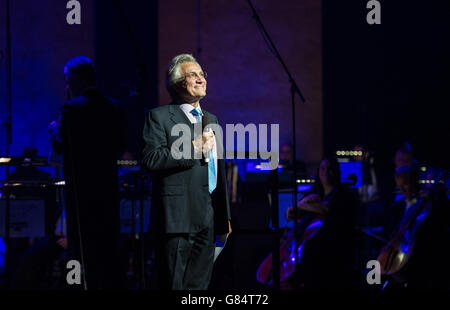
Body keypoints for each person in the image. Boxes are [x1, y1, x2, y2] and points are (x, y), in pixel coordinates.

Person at [142, 54, 231, 290]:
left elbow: (218, 173)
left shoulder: (212, 119)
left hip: (207, 219)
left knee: (199, 289)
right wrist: (192, 148)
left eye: (202, 74)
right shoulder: (159, 117)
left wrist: (224, 218)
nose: (201, 79)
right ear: (177, 83)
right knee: (173, 286)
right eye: (193, 74)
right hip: (176, 221)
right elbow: (151, 159)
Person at [48, 56, 126, 289]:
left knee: (81, 249)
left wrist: (53, 129)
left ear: (77, 79)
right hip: (108, 191)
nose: (67, 86)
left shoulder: (71, 109)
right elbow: (119, 147)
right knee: (107, 248)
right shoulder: (115, 107)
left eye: (67, 80)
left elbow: (61, 145)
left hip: (81, 192)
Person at [285, 157, 359, 288]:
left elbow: (326, 209)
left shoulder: (344, 195)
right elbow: (293, 214)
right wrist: (294, 210)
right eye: (322, 168)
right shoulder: (315, 195)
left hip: (332, 255)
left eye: (330, 169)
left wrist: (301, 205)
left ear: (337, 172)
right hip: (312, 256)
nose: (325, 171)